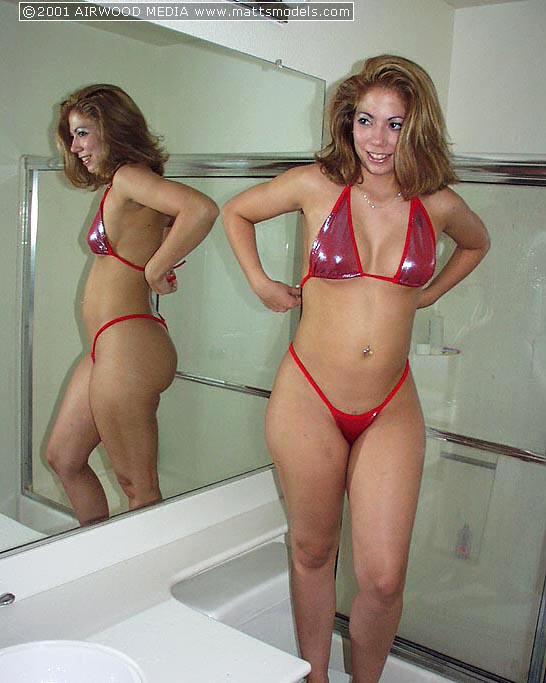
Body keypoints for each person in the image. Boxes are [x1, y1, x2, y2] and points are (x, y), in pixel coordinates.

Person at [222, 55, 489, 683]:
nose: (378, 139)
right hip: (309, 397)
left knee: (384, 577)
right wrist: (260, 282)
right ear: (347, 122)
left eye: (395, 124)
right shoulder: (315, 185)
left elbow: (478, 243)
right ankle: (316, 675)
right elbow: (236, 212)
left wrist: (428, 294)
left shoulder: (438, 203)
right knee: (314, 550)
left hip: (390, 405)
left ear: (417, 127)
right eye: (366, 120)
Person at [47, 84, 218, 526]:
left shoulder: (129, 177)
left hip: (128, 344)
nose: (75, 147)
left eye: (83, 133)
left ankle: (147, 568)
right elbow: (175, 221)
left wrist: (157, 268)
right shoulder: (127, 183)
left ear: (112, 128)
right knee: (64, 457)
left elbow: (201, 209)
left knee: (138, 488)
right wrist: (161, 256)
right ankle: (100, 554)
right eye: (72, 136)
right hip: (108, 345)